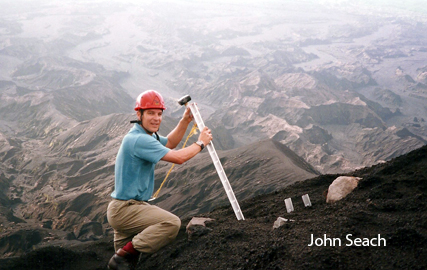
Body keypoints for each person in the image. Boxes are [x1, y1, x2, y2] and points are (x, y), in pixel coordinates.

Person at [107, 90, 212, 270]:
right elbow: (178, 158)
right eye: (150, 113)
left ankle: (122, 256)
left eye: (159, 113)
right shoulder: (139, 140)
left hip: (125, 208)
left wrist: (185, 120)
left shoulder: (144, 136)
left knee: (127, 265)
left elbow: (169, 143)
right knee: (171, 223)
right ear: (138, 114)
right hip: (126, 209)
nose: (156, 118)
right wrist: (200, 143)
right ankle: (122, 255)